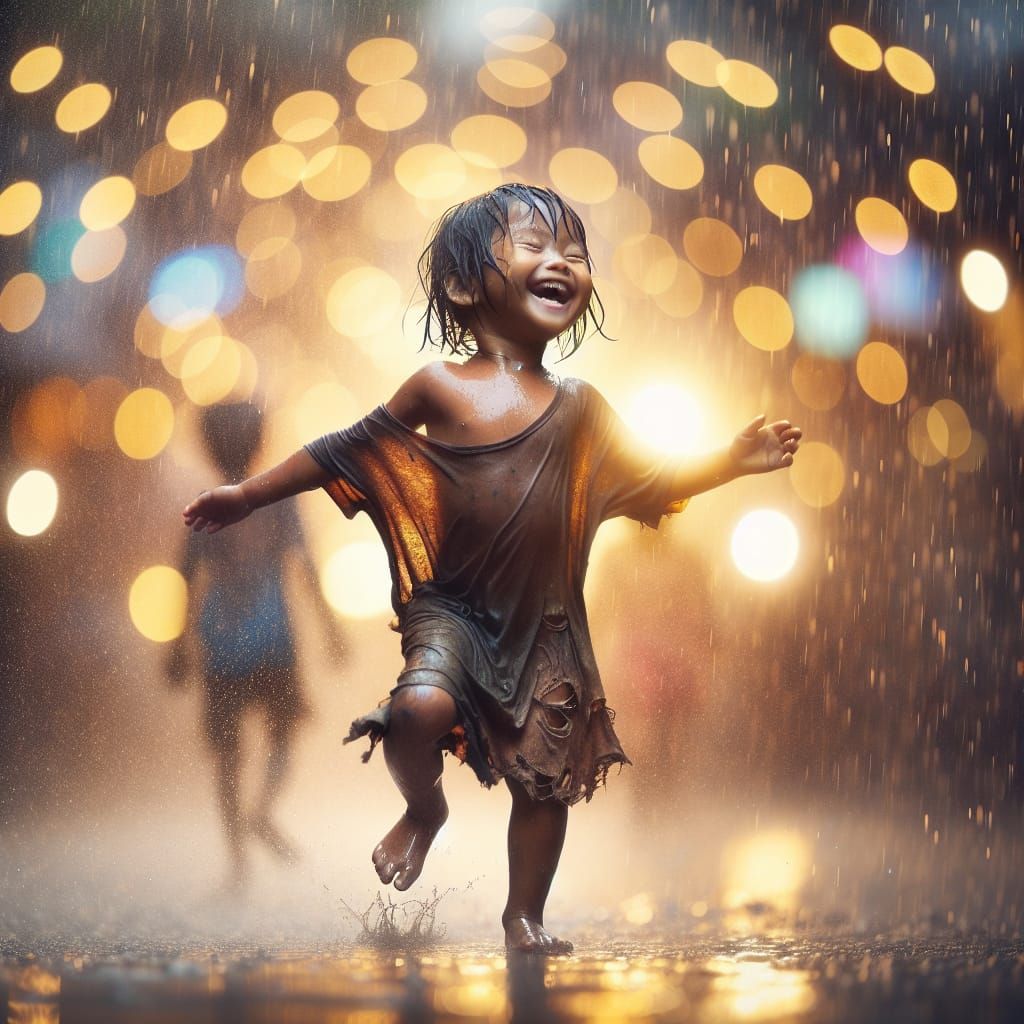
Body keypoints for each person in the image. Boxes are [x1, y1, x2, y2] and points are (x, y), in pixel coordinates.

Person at [181, 184, 801, 951]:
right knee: (413, 713)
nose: (562, 263)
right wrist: (248, 493)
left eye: (575, 252)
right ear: (463, 286)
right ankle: (425, 809)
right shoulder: (438, 385)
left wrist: (728, 463)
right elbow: (345, 448)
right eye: (536, 247)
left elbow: (652, 481)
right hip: (455, 611)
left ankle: (524, 914)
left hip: (545, 624)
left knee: (543, 784)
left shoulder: (581, 408)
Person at [168, 400, 344, 891]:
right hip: (269, 635)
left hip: (222, 635)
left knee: (228, 754)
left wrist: (178, 644)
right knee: (282, 733)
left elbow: (186, 575)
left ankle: (239, 858)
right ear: (258, 440)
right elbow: (304, 565)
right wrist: (329, 629)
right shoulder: (277, 497)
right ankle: (261, 814)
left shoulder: (206, 501)